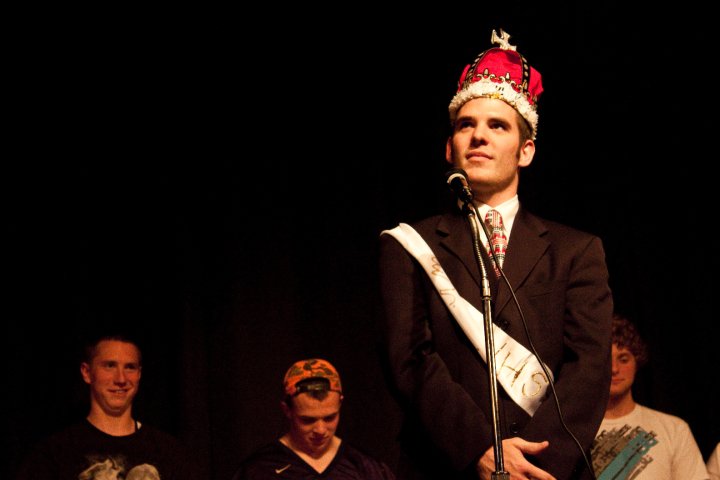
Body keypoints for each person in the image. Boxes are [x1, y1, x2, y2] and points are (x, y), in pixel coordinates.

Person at [378, 28, 614, 480]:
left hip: (548, 470)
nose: (478, 136)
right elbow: (408, 358)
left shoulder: (577, 250)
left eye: (497, 125)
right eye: (466, 125)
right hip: (447, 465)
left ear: (526, 151)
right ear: (450, 147)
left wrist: (538, 462)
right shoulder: (407, 244)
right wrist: (480, 450)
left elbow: (589, 367)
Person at [14, 332, 198, 480]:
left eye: (130, 367)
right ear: (87, 373)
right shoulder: (55, 453)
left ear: (139, 374)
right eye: (110, 366)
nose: (121, 379)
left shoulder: (169, 452)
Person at [231, 357, 396, 479]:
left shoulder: (366, 468)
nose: (320, 430)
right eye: (308, 420)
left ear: (340, 404)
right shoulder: (259, 470)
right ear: (287, 410)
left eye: (330, 418)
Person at [590, 313, 709, 479]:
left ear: (637, 362)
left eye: (623, 359)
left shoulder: (674, 429)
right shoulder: (575, 431)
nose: (615, 369)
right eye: (607, 360)